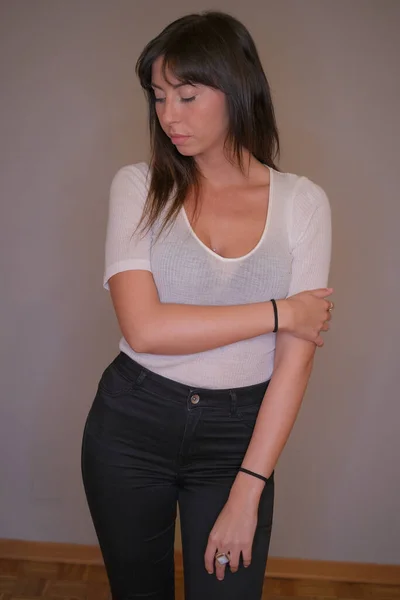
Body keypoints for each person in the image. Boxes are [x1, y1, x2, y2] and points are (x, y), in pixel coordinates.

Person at [81, 10, 333, 600]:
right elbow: (144, 330)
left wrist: (249, 488)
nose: (169, 115)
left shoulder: (303, 202)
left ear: (237, 87)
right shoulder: (138, 186)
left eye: (187, 95)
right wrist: (280, 312)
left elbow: (295, 362)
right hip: (130, 425)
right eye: (159, 97)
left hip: (237, 438)